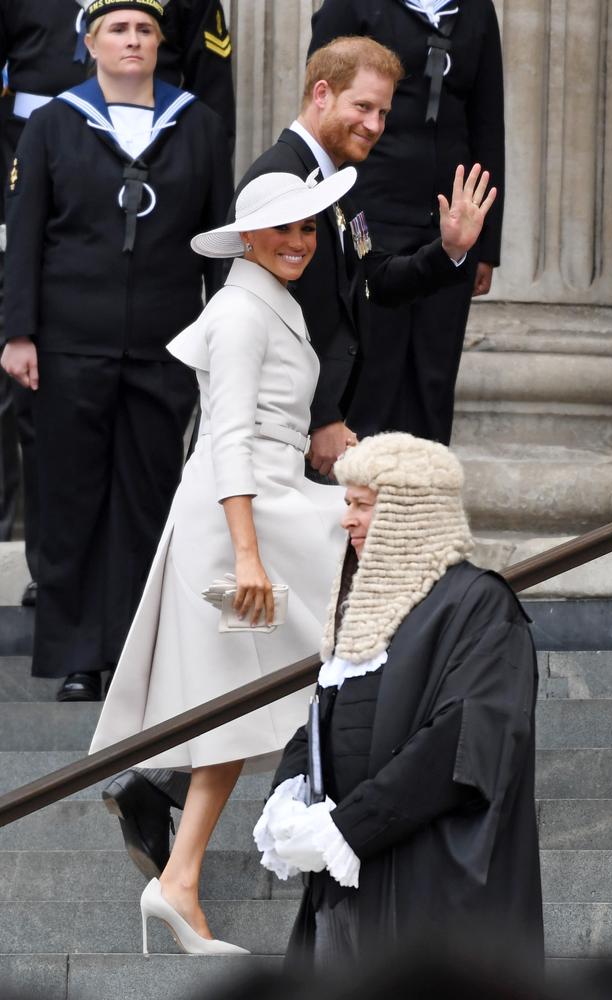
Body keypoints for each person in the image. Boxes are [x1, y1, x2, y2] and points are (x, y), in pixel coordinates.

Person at [101, 32, 497, 879]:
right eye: (363, 107)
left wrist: (453, 252)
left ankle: (192, 779)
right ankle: (276, 785)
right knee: (319, 615)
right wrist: (320, 419)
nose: (376, 124)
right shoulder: (275, 182)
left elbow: (375, 282)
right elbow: (256, 341)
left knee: (299, 627)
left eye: (385, 113)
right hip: (277, 450)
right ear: (320, 94)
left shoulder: (334, 195)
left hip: (297, 440)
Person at [89, 165, 360, 954]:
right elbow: (230, 435)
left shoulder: (265, 303)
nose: (300, 242)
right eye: (284, 227)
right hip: (239, 514)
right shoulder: (242, 311)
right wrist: (246, 554)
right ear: (247, 237)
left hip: (268, 502)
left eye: (309, 228)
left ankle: (177, 876)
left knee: (242, 708)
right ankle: (177, 874)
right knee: (239, 706)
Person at [0, 0, 233, 701]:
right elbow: (28, 234)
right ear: (91, 43)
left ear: (162, 43)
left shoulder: (197, 127)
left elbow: (217, 242)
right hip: (70, 342)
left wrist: (218, 334)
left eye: (144, 30)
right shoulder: (51, 126)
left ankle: (137, 653)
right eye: (118, 30)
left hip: (162, 345)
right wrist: (17, 333)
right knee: (71, 499)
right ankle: (78, 658)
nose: (132, 41)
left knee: (145, 499)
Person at [254, 432, 543, 967]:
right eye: (347, 504)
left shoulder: (479, 605)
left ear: (411, 514)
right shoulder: (360, 608)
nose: (348, 520)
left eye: (363, 505)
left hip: (428, 881)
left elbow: (461, 741)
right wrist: (287, 794)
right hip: (346, 882)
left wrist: (348, 829)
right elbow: (323, 716)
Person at [309, 0, 505, 445]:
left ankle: (424, 505)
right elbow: (324, 107)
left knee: (433, 382)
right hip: (370, 216)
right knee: (371, 379)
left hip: (448, 226)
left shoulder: (475, 10)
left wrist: (485, 244)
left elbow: (488, 120)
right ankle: (357, 507)